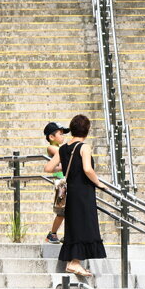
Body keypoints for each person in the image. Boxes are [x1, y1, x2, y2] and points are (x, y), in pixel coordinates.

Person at [44, 114, 105, 277]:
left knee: (73, 225)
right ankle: (75, 262)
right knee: (85, 224)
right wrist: (98, 183)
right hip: (83, 191)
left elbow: (48, 168)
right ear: (87, 130)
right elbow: (87, 169)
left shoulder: (64, 148)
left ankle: (73, 262)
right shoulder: (84, 147)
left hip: (71, 191)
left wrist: (63, 169)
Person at [43, 122, 68, 244]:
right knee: (61, 211)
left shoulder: (59, 148)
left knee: (69, 210)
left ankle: (68, 234)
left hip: (66, 181)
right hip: (61, 183)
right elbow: (63, 153)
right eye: (60, 134)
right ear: (51, 137)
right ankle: (52, 234)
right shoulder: (52, 148)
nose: (63, 137)